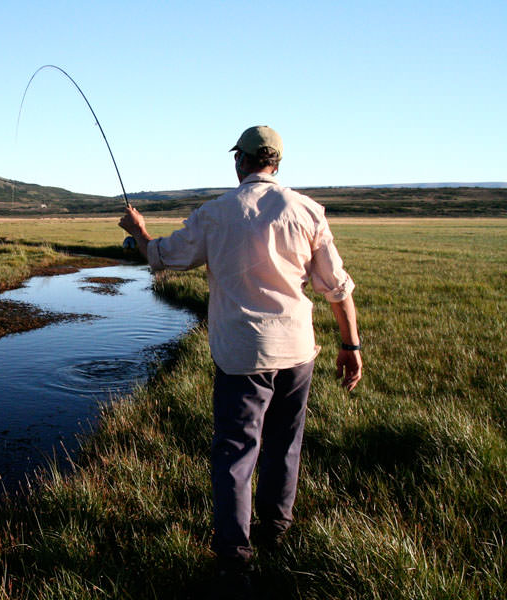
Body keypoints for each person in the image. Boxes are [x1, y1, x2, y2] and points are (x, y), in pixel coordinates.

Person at [118, 125, 362, 598]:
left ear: (240, 162)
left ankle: (234, 561)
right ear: (277, 163)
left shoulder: (216, 213)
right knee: (285, 443)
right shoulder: (307, 211)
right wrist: (350, 347)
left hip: (241, 357)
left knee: (235, 454)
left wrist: (139, 233)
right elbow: (337, 288)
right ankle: (276, 530)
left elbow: (164, 257)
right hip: (298, 352)